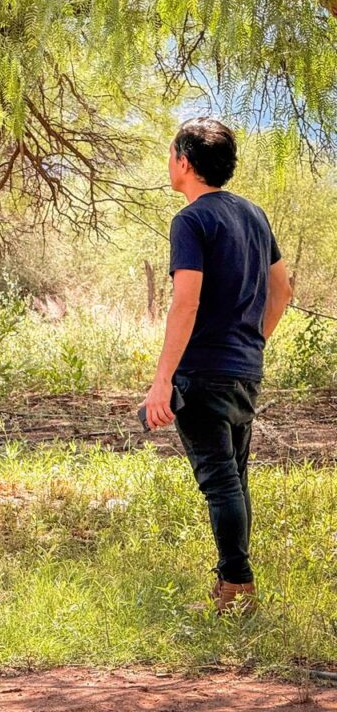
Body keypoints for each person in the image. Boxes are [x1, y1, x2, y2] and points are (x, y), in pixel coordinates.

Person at [141, 118, 291, 613]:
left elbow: (185, 302)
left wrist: (162, 380)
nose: (169, 163)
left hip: (203, 372)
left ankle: (236, 588)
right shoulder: (254, 215)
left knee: (220, 480)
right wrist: (252, 342)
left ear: (184, 162)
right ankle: (234, 583)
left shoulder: (191, 220)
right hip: (245, 369)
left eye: (171, 155)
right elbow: (283, 291)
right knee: (235, 478)